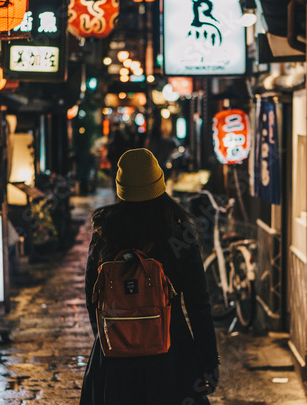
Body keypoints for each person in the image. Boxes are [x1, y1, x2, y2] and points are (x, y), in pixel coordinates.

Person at [79, 148, 220, 405]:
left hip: (115, 360)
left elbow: (92, 296)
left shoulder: (105, 234)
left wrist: (108, 335)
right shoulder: (179, 234)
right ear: (159, 184)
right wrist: (208, 361)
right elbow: (199, 305)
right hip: (170, 352)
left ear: (121, 189)